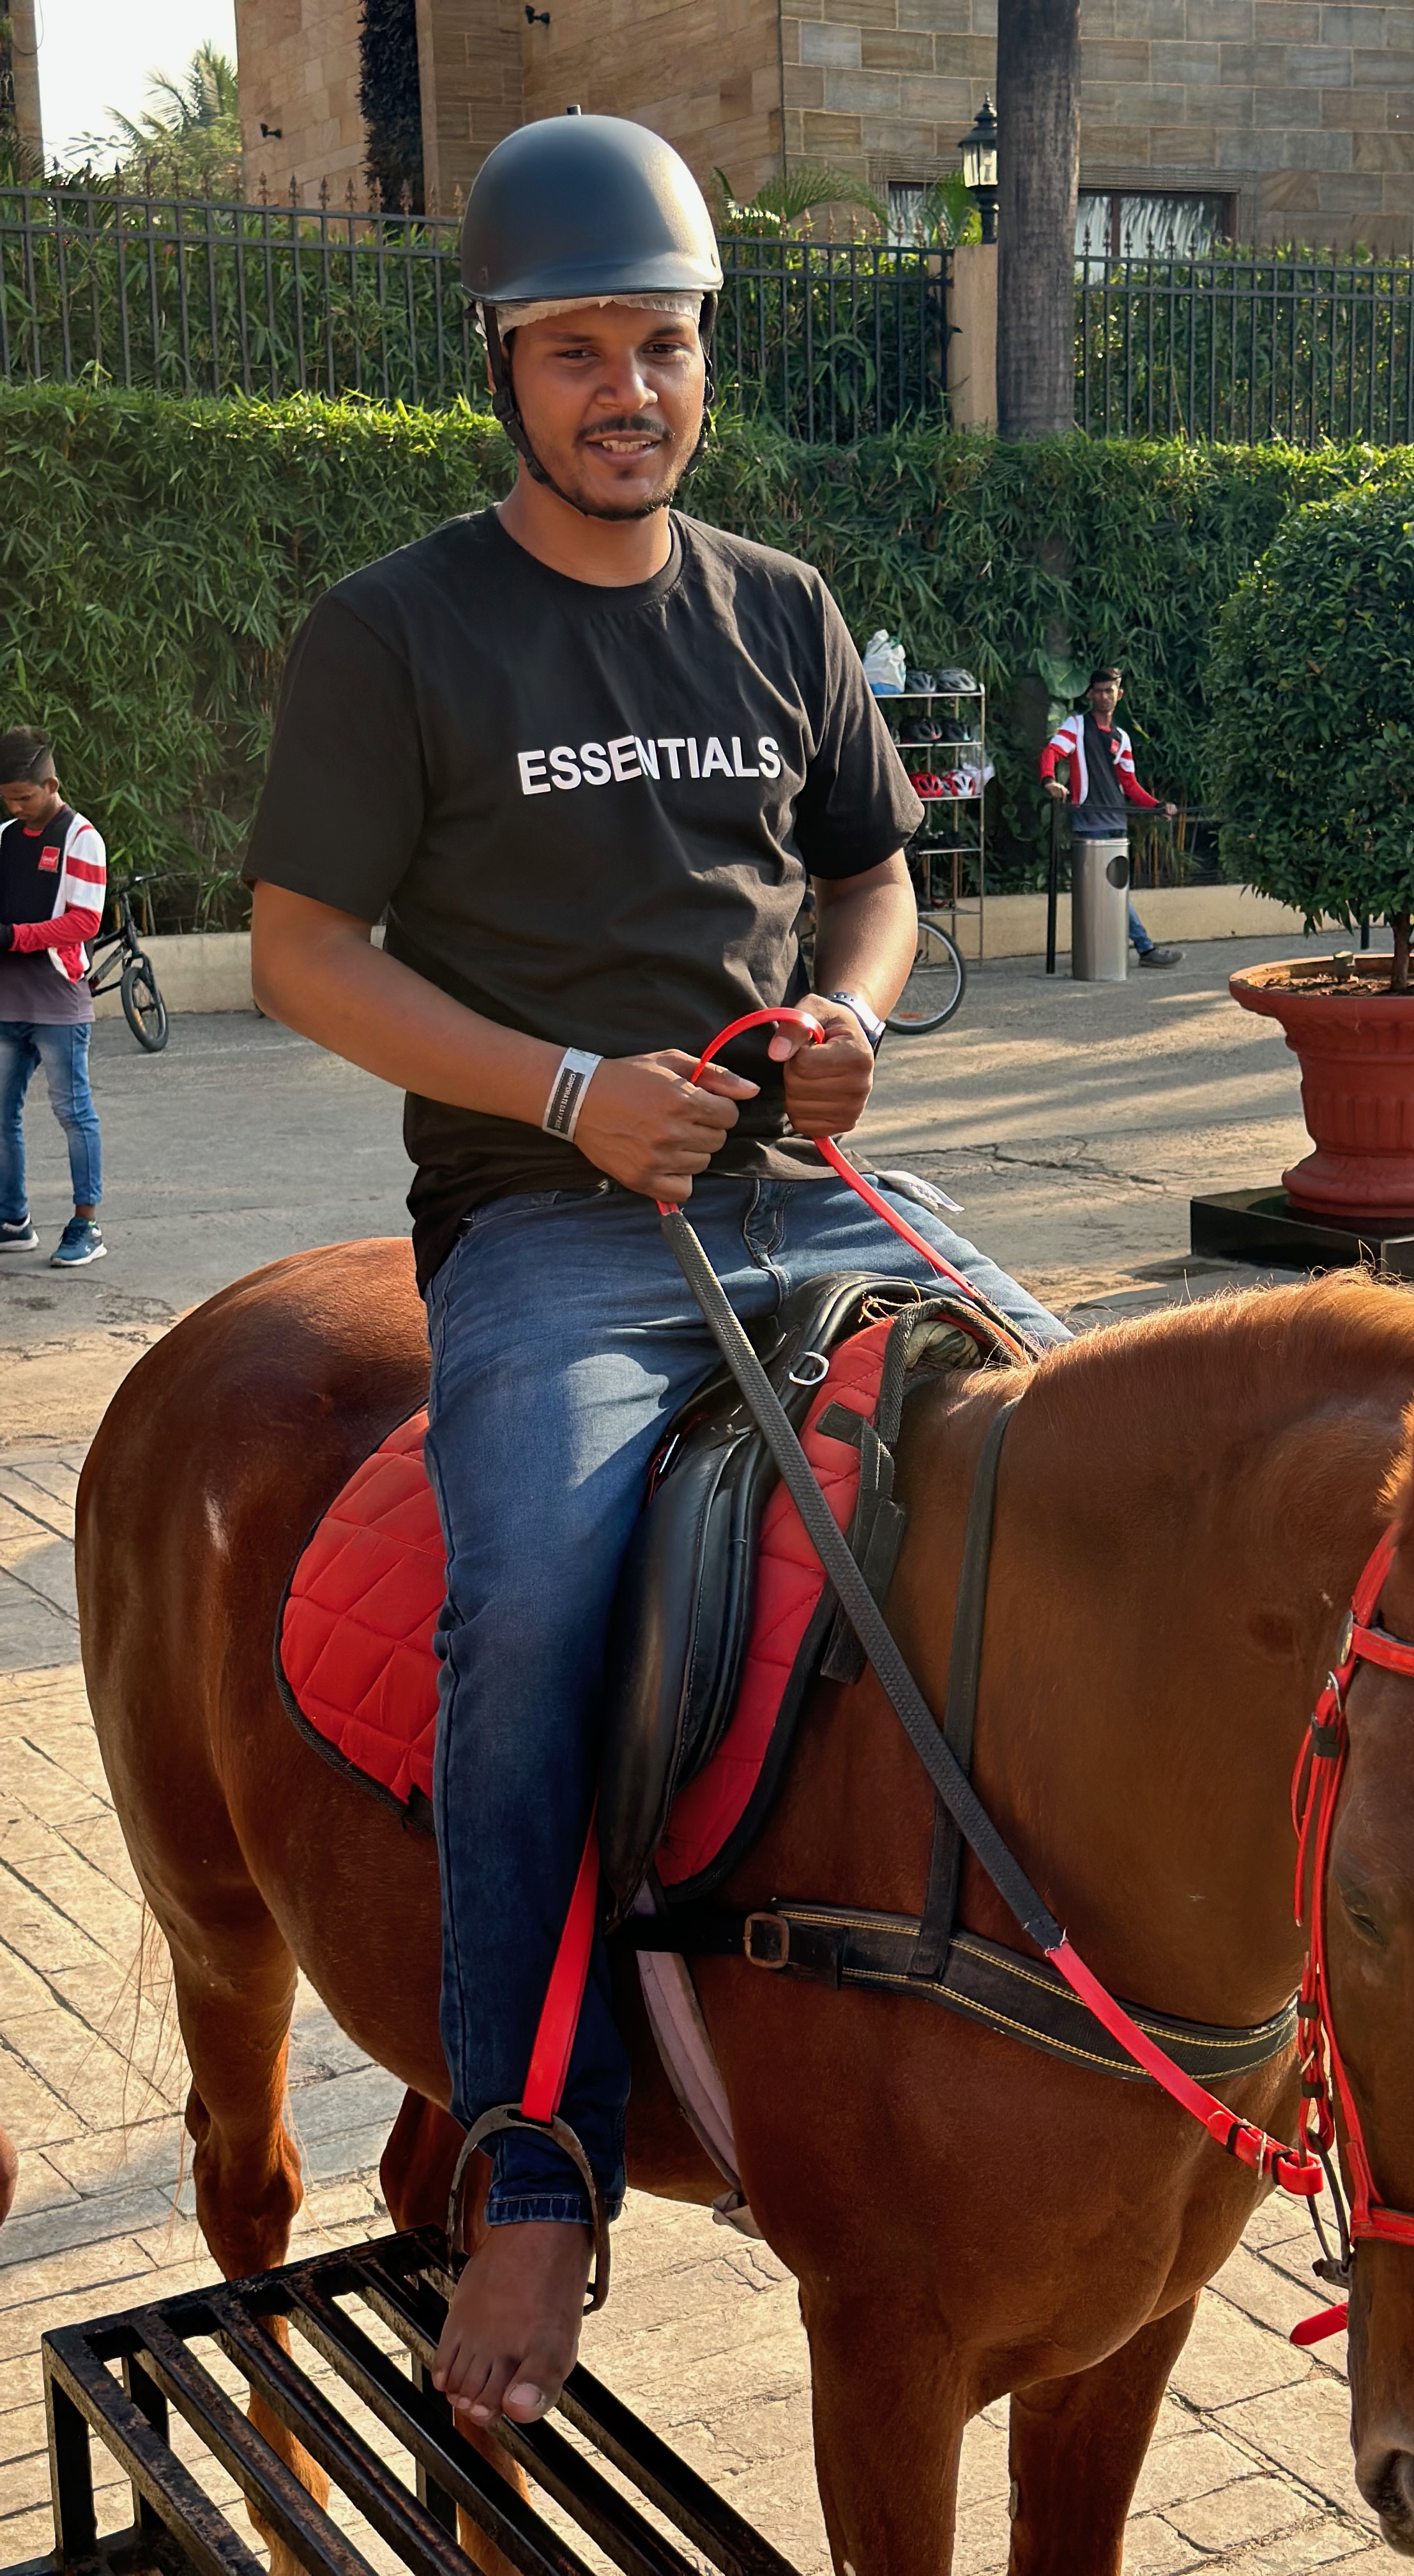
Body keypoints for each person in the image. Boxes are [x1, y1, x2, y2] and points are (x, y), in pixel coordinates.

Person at [244, 112, 1066, 2436]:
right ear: (501, 368)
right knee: (524, 1613)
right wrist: (562, 1096)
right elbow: (301, 950)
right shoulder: (395, 631)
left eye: (666, 347)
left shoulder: (779, 608)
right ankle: (536, 2151)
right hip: (551, 1228)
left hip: (799, 1190)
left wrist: (852, 1021)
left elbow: (871, 874)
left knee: (1087, 1442)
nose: (630, 390)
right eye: (580, 350)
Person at [0, 728, 107, 1269]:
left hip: (58, 1000)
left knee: (73, 1113)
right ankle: (12, 1221)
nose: (16, 808)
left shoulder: (82, 838)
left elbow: (85, 921)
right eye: (7, 799)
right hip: (6, 1001)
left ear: (52, 785)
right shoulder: (4, 836)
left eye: (24, 797)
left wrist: (15, 937)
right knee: (2, 1115)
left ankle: (87, 1224)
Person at [1040, 666, 1185, 967]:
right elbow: (1052, 752)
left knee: (1117, 891)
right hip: (1089, 823)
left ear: (1119, 695)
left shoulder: (1122, 737)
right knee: (1112, 892)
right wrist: (1049, 781)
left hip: (1117, 824)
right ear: (1090, 695)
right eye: (1099, 691)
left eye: (1110, 691)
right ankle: (1144, 949)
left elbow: (1130, 784)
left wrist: (1158, 806)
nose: (1104, 697)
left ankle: (1116, 952)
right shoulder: (1077, 726)